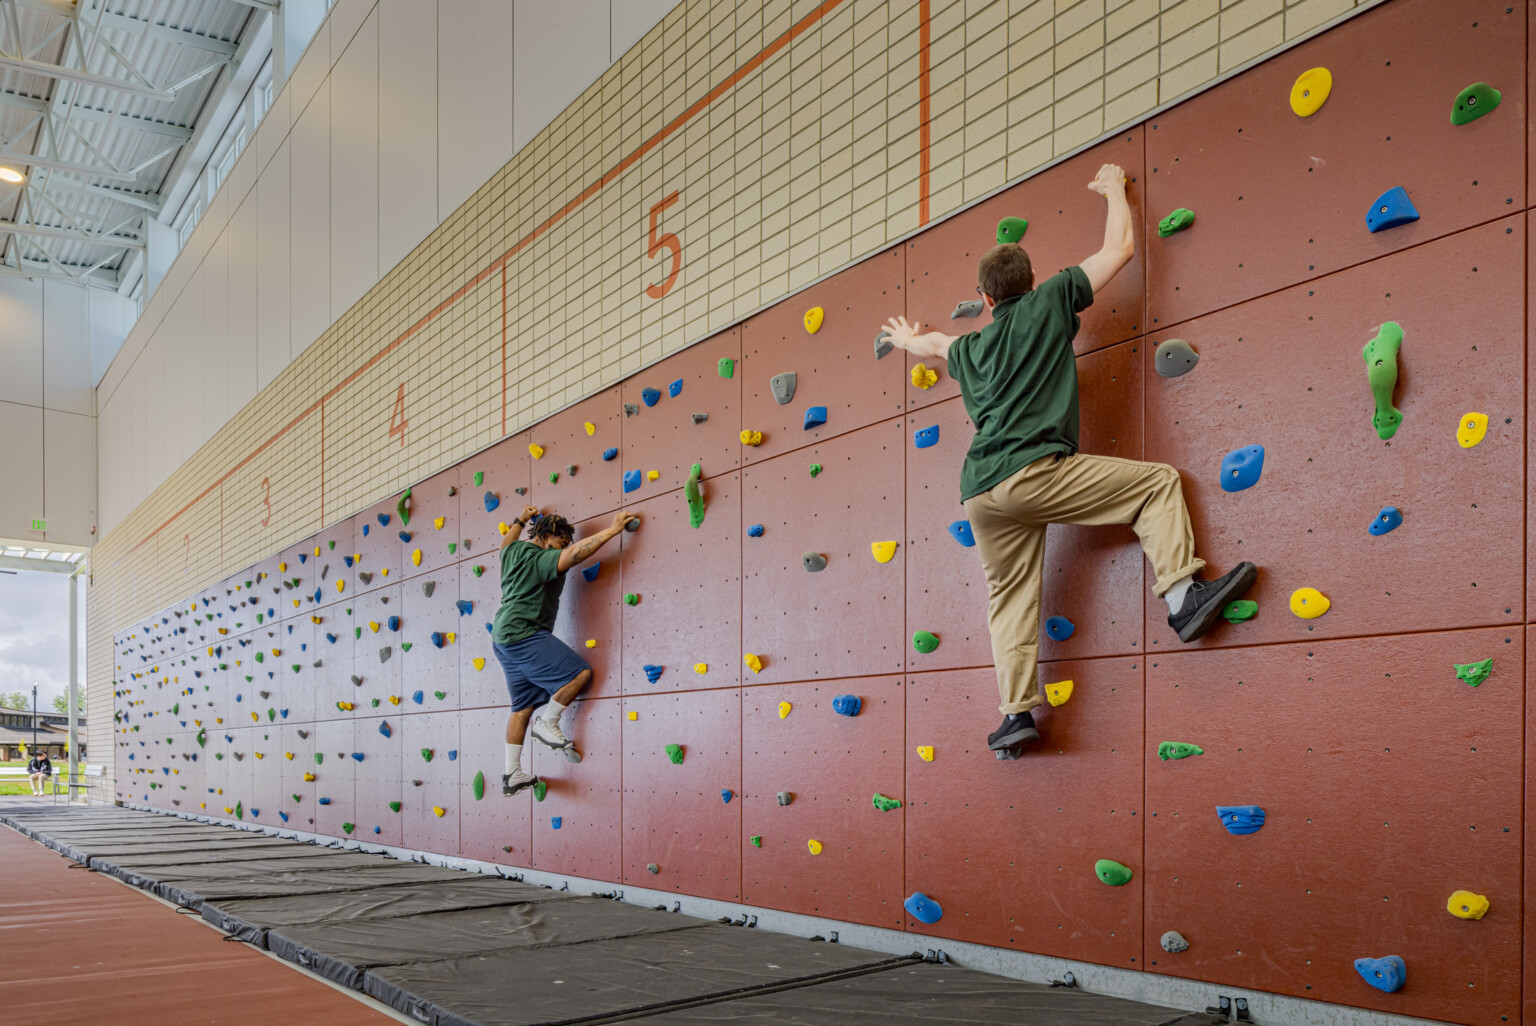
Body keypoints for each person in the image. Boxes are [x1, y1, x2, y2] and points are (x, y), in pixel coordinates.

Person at [880, 162, 1257, 756]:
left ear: (984, 298)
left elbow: (935, 343)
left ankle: (1015, 716)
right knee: (1157, 484)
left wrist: (906, 341)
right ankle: (1184, 598)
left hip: (981, 493)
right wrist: (1113, 189)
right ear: (1031, 282)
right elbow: (1120, 248)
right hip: (1034, 473)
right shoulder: (1052, 299)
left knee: (1008, 598)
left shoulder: (971, 346)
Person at [492, 505, 638, 795]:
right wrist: (612, 530)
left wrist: (520, 519)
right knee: (579, 674)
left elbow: (505, 542)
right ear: (547, 535)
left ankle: (511, 774)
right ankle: (548, 722)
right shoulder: (541, 559)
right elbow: (573, 556)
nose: (564, 548)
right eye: (561, 541)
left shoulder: (513, 552)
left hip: (502, 637)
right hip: (524, 632)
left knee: (521, 707)